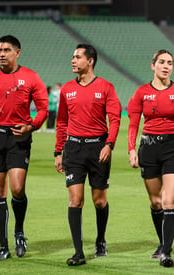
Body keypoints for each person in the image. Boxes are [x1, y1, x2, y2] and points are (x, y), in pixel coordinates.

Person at [0, 35, 49, 261]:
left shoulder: (30, 77)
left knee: (17, 189)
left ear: (17, 52)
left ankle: (19, 231)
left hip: (18, 137)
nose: (1, 54)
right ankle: (3, 246)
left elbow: (43, 108)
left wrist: (31, 126)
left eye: (6, 50)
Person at [54, 44, 121, 266]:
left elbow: (115, 118)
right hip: (73, 149)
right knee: (75, 200)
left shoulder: (106, 87)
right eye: (72, 56)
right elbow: (62, 121)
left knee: (99, 201)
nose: (73, 60)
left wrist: (109, 145)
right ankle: (78, 252)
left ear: (90, 61)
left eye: (78, 57)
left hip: (98, 148)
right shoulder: (66, 90)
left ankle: (101, 240)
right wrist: (58, 151)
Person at [127, 49, 174, 268]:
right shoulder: (140, 93)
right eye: (162, 62)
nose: (167, 66)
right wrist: (131, 149)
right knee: (156, 202)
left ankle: (166, 252)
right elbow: (133, 124)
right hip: (149, 148)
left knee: (169, 200)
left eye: (170, 63)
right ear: (153, 65)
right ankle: (163, 242)